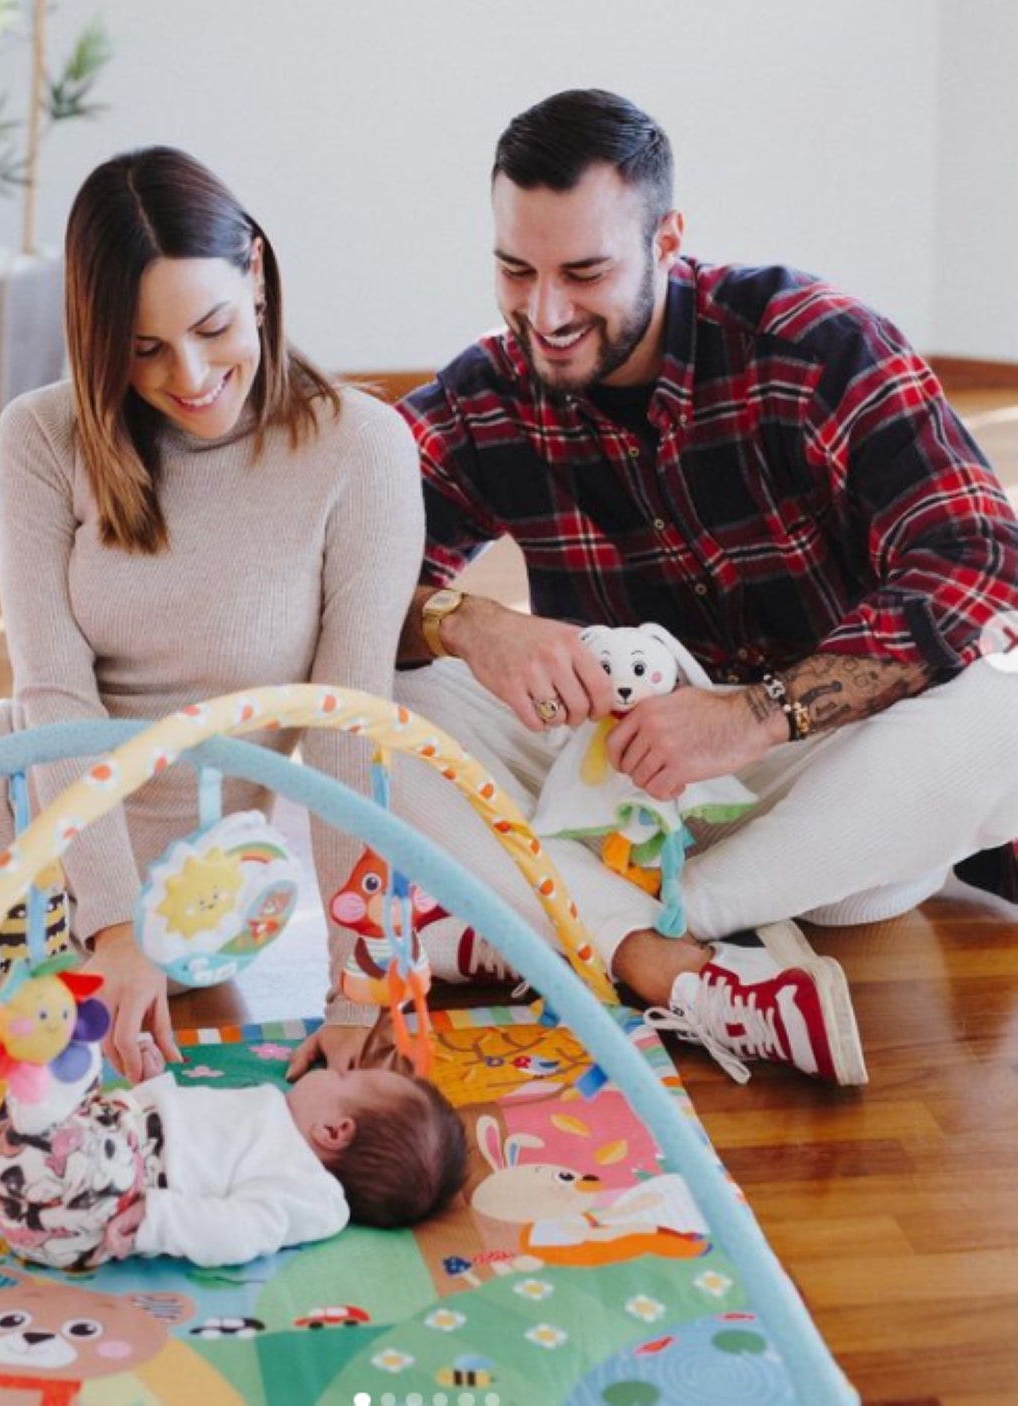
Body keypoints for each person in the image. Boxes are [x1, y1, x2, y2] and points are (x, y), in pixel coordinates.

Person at [388, 89, 1018, 1086]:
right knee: (383, 708)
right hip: (618, 799)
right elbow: (340, 582)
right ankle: (666, 959)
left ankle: (617, 928)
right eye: (516, 269)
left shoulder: (812, 342)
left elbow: (977, 557)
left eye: (584, 273)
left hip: (827, 793)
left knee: (1007, 694)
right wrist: (465, 620)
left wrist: (757, 715)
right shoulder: (487, 394)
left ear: (668, 239)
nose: (544, 314)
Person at [0, 147, 424, 1080]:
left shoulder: (362, 448)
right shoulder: (40, 435)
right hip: (4, 782)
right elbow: (50, 695)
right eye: (142, 349)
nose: (189, 376)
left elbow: (348, 734)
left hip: (159, 891)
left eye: (212, 326)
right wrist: (115, 927)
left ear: (255, 274)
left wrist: (356, 988)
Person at [0, 1055, 468, 1271]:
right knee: (79, 1105)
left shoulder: (312, 1193)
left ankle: (16, 1126)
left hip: (98, 1204)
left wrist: (157, 1218)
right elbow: (185, 1120)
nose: (336, 1071)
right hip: (73, 1164)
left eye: (344, 1080)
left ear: (334, 1131)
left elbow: (244, 1229)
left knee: (87, 1149)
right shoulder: (268, 1110)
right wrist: (150, 1085)